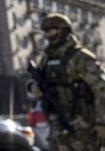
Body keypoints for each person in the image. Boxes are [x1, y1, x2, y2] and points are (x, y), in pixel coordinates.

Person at [26, 12, 105, 151]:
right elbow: (35, 80)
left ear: (64, 31)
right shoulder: (46, 59)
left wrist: (102, 122)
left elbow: (101, 88)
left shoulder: (80, 57)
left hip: (83, 127)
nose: (49, 35)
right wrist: (33, 87)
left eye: (53, 30)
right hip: (57, 127)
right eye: (47, 32)